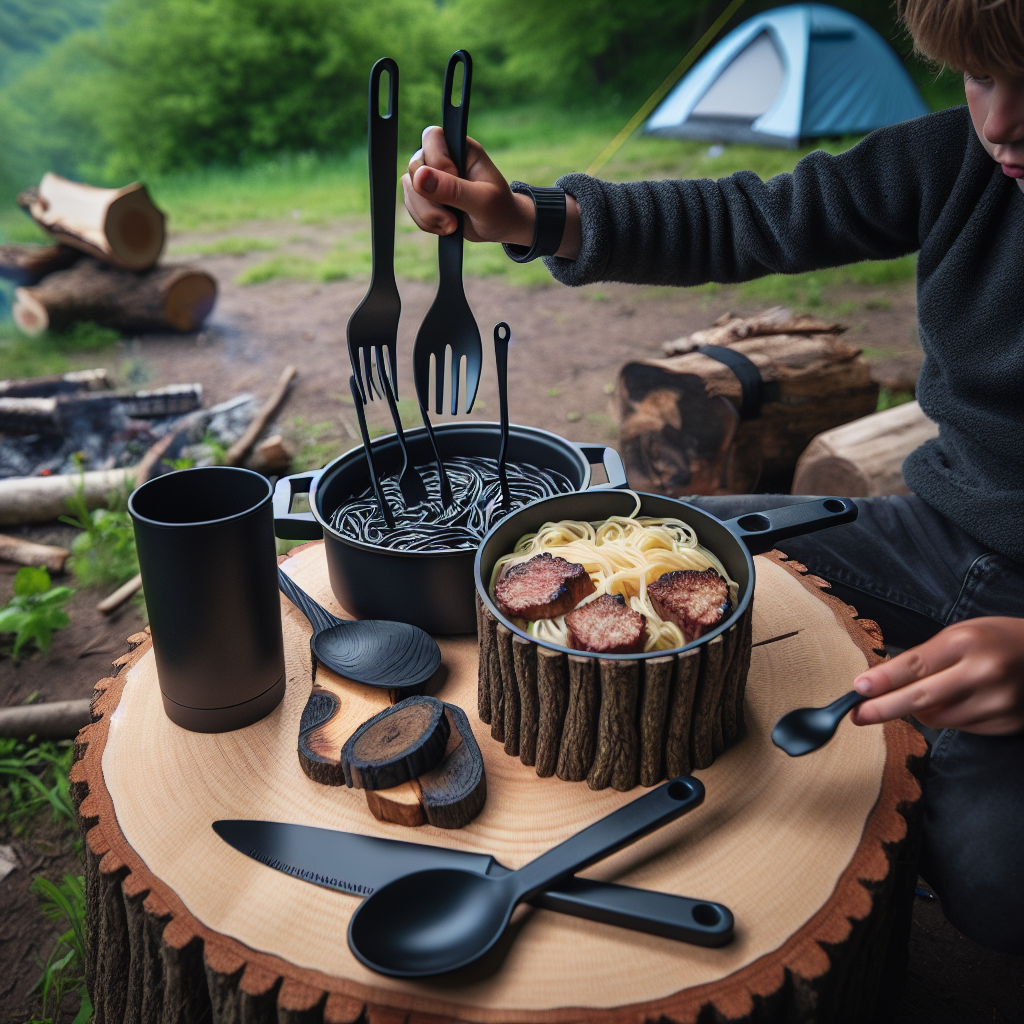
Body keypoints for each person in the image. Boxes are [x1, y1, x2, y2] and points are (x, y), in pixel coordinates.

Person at [402, 0, 1023, 955]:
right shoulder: (961, 161)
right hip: (942, 537)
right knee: (689, 545)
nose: (999, 123)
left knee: (993, 883)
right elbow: (758, 219)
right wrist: (528, 216)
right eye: (979, 76)